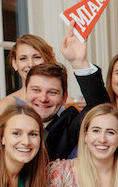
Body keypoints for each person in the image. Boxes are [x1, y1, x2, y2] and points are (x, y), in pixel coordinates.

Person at [20, 27, 111, 159]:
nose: (43, 98)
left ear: (64, 98)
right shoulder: (9, 124)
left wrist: (79, 63)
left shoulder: (69, 125)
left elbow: (101, 109)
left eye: (52, 92)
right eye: (36, 90)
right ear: (26, 92)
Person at [0, 34, 55, 116]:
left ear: (48, 60)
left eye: (37, 57)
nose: (30, 64)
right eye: (23, 58)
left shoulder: (67, 103)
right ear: (14, 63)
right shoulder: (6, 105)